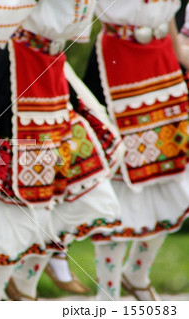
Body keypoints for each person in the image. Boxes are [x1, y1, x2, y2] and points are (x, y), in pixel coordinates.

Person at [0, 0, 124, 301]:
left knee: (80, 199)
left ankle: (97, 300)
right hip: (13, 75)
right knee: (10, 208)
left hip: (51, 73)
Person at [83, 0, 189, 301]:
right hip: (116, 60)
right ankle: (108, 292)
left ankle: (137, 272)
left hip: (162, 59)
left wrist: (177, 53)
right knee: (118, 186)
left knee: (171, 175)